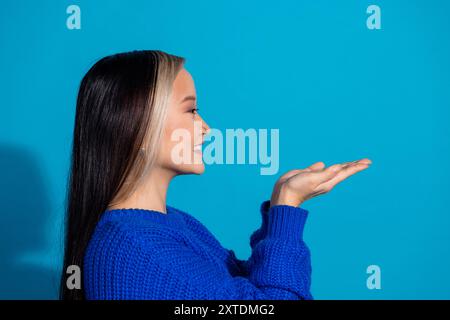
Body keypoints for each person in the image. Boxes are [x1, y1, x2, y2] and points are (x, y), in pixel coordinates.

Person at [60, 49, 372, 300]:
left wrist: (282, 202)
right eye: (191, 110)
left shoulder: (172, 224)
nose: (206, 127)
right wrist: (287, 208)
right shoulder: (136, 248)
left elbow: (252, 290)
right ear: (137, 128)